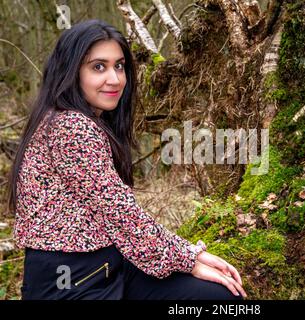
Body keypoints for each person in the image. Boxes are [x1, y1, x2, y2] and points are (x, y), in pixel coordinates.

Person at [7, 19, 247, 300]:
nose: (115, 79)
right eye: (98, 67)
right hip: (69, 280)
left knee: (218, 297)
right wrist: (189, 259)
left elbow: (120, 215)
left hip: (112, 264)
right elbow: (120, 213)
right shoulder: (70, 126)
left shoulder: (77, 120)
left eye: (119, 66)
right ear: (71, 72)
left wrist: (189, 254)